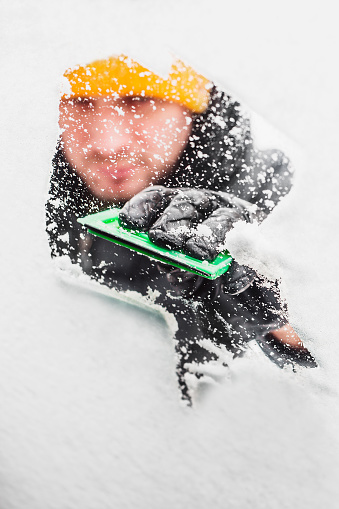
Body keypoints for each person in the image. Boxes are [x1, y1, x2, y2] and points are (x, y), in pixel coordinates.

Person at [46, 55, 316, 404]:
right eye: (79, 101)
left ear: (200, 109)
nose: (106, 143)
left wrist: (286, 325)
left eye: (139, 100)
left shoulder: (297, 209)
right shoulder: (29, 202)